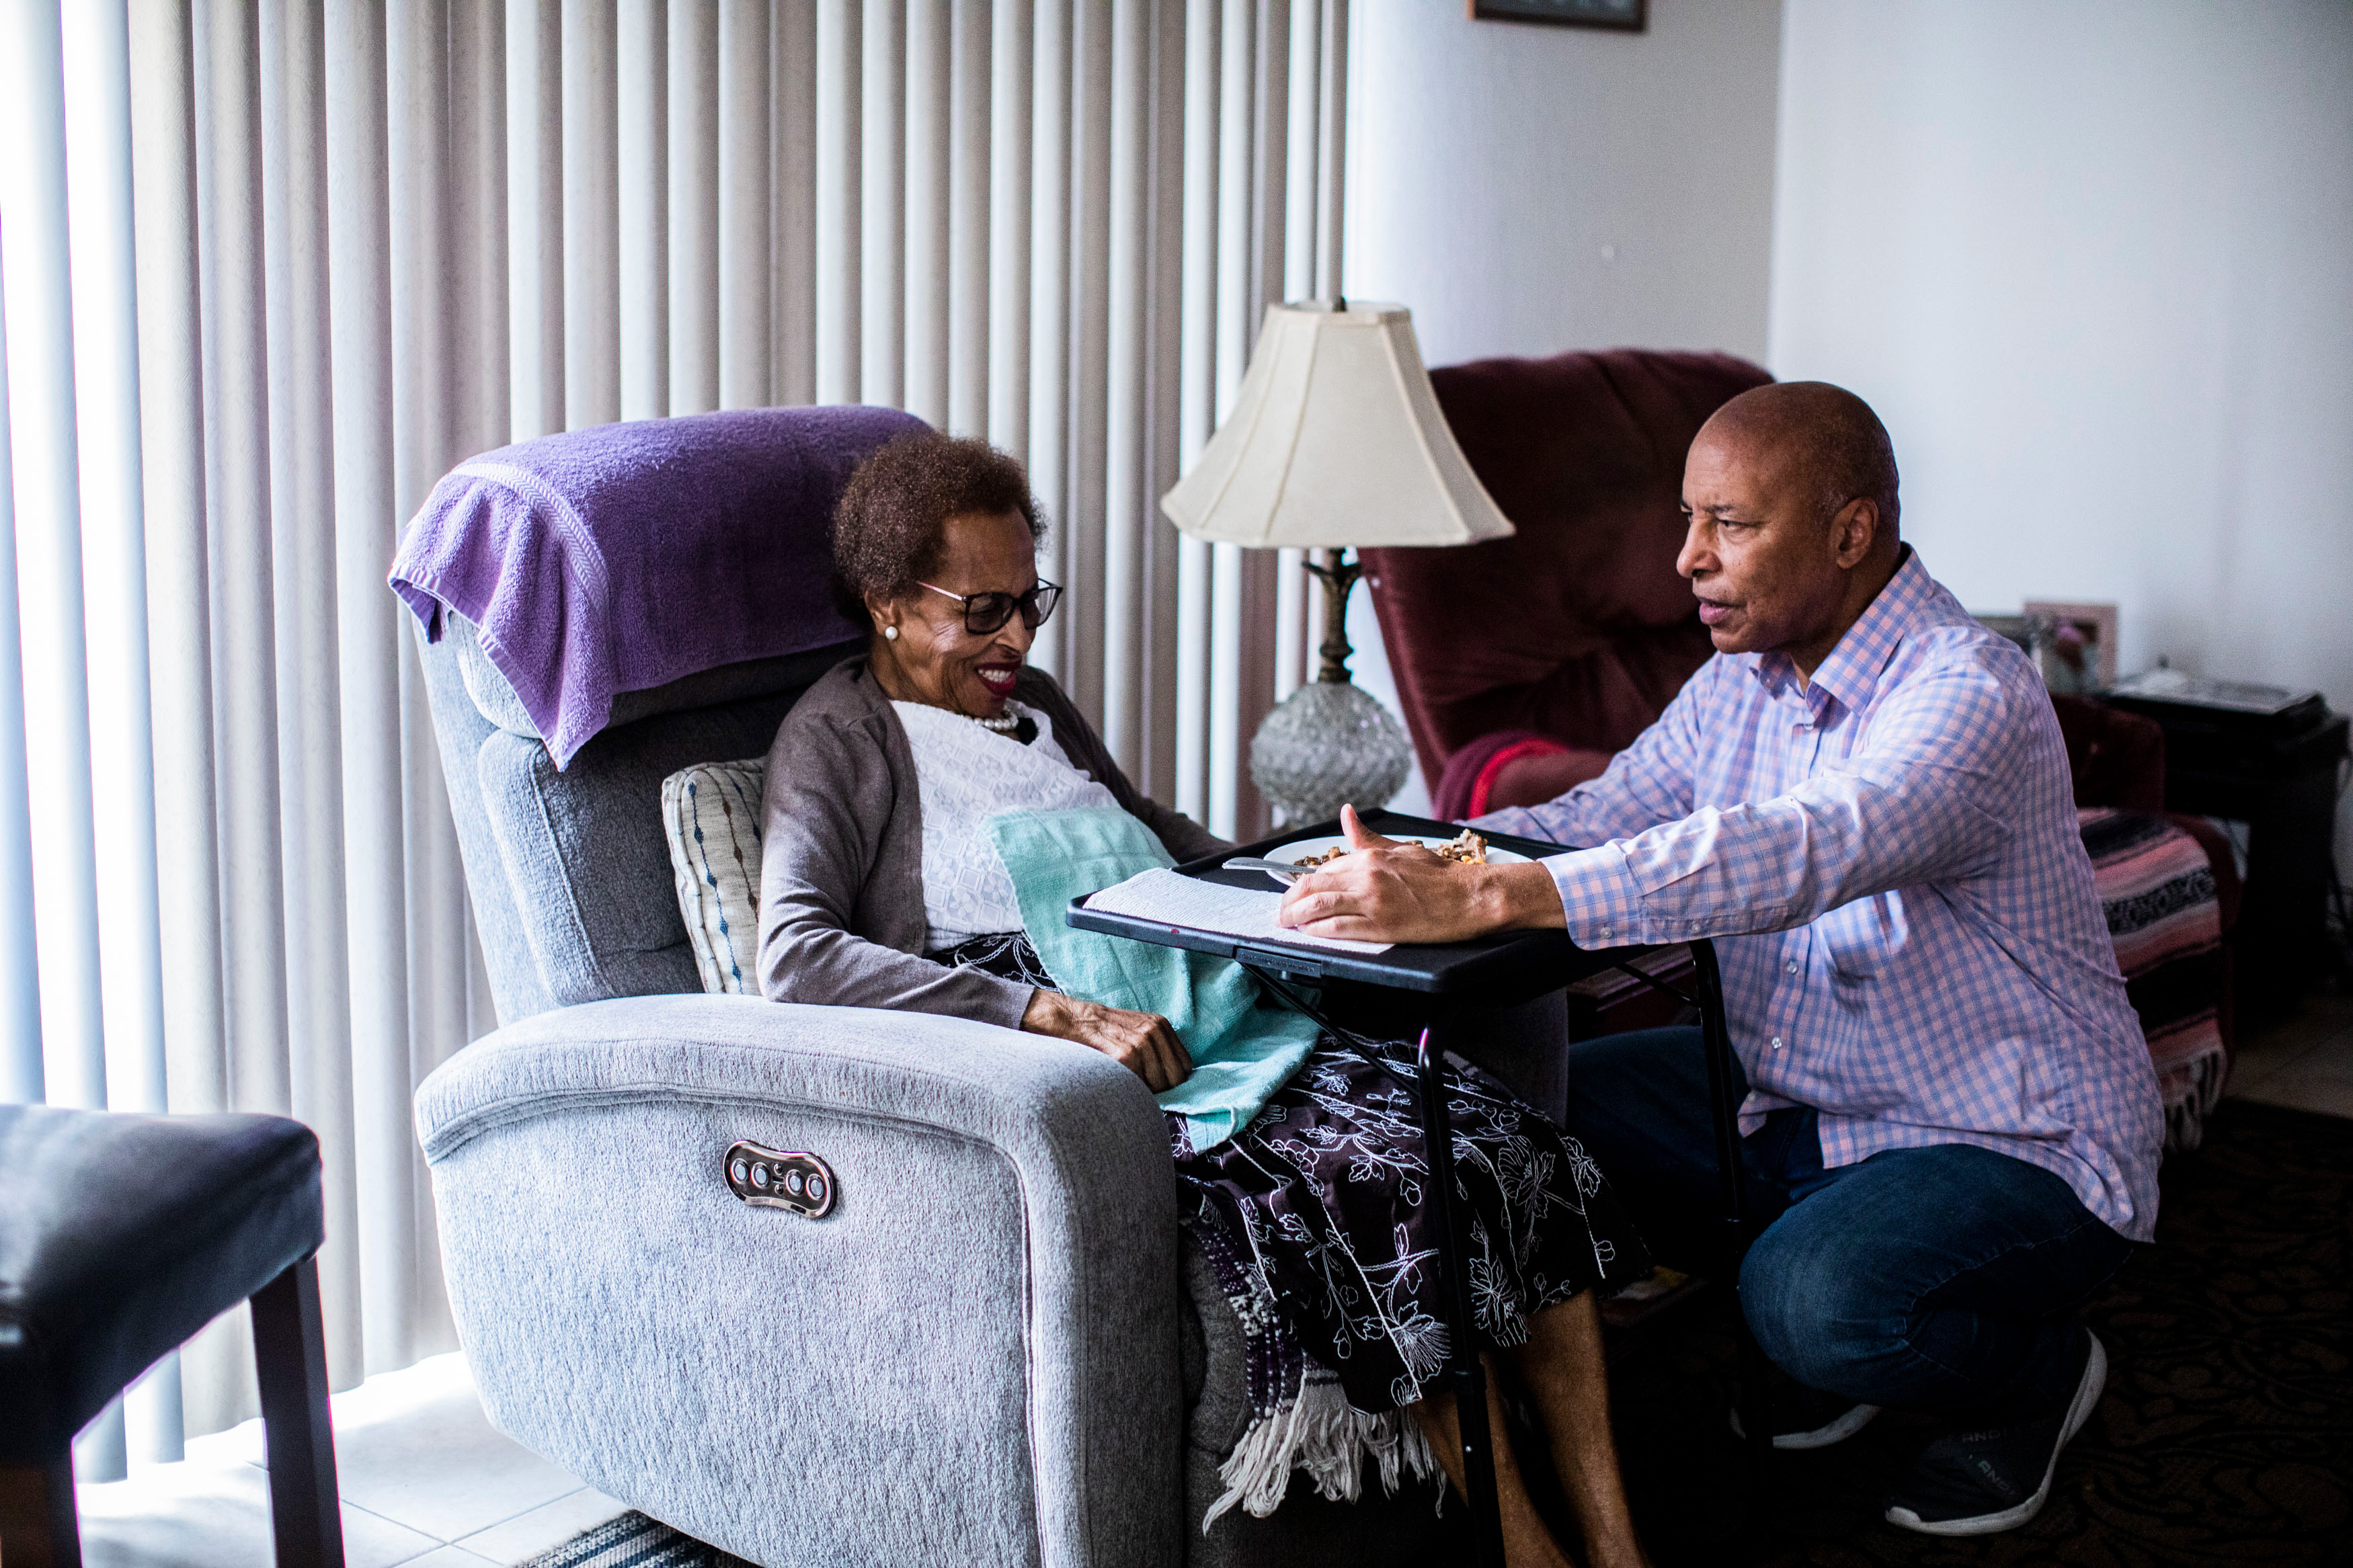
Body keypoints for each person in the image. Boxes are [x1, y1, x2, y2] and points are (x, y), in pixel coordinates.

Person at [1277, 382, 2163, 1538]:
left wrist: (1501, 892)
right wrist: (1426, 860)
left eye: (1729, 525)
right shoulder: (1741, 683)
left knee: (1811, 1302)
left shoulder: (1968, 689)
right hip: (1792, 1098)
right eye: (1688, 521)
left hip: (2009, 1134)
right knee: (1509, 1114)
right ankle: (1833, 1288)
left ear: (1850, 532)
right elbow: (1605, 815)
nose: (1687, 558)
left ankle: (2034, 1373)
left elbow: (1805, 847)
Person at [758, 431, 1657, 1568]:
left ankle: (1621, 1550)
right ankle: (1528, 1548)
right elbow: (793, 955)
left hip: (1202, 991)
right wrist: (1045, 1015)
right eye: (981, 610)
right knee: (1390, 1182)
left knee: (1498, 1141)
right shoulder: (837, 739)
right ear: (888, 603)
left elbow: (1155, 836)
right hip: (1105, 1052)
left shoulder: (1032, 699)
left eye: (1029, 599)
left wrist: (1284, 878)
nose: (1019, 637)